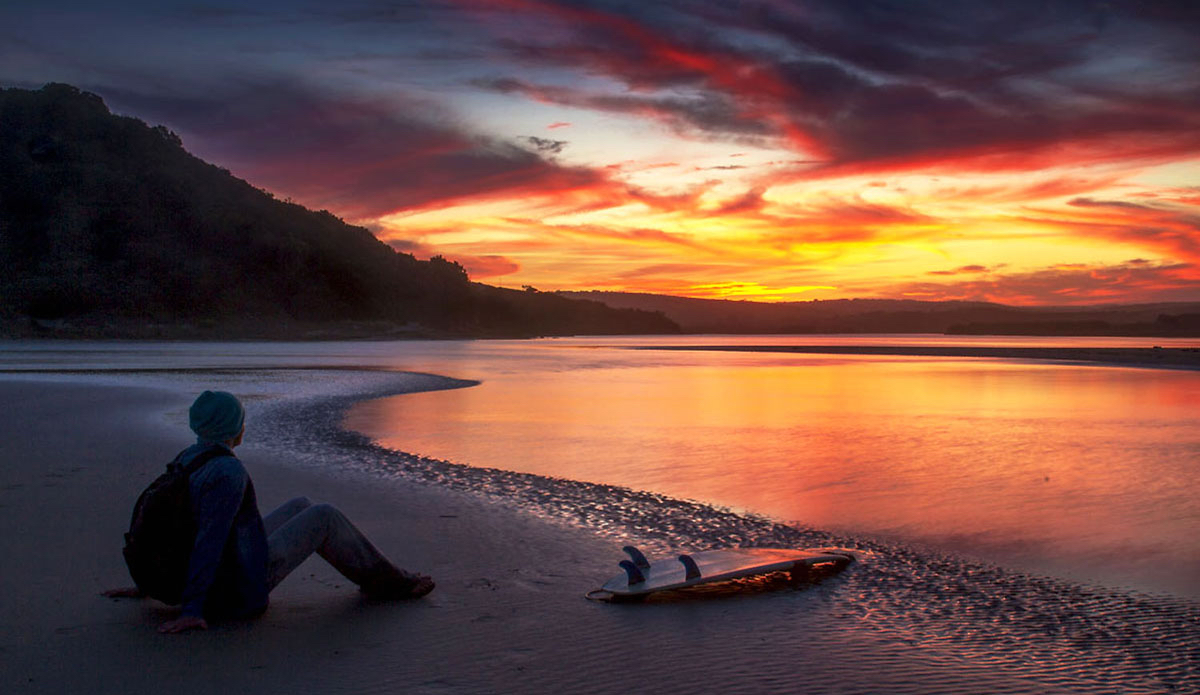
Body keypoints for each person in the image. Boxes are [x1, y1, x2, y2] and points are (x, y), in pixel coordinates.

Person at [106, 390, 434, 633]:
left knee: (301, 505)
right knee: (324, 516)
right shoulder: (226, 473)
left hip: (221, 570)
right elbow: (209, 539)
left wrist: (147, 583)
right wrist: (191, 609)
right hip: (237, 593)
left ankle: (376, 577)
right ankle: (390, 582)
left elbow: (162, 526)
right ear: (235, 428)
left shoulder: (187, 458)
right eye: (241, 421)